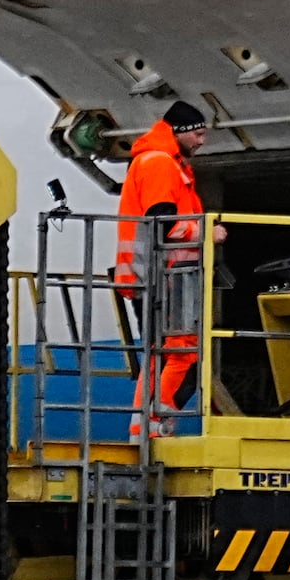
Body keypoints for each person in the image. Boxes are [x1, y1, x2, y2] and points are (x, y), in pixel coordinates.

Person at [114, 117, 206, 416]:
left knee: (161, 357)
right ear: (180, 131)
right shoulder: (160, 163)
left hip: (155, 277)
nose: (201, 142)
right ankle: (155, 426)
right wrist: (205, 231)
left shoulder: (158, 161)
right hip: (162, 278)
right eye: (198, 134)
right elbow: (163, 223)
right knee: (178, 355)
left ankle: (146, 429)